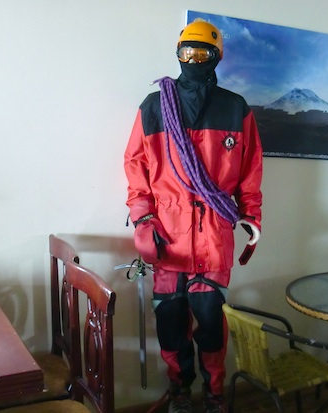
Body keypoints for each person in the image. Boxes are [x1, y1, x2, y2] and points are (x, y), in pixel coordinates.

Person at [124, 18, 263, 413]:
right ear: (178, 54)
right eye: (188, 52)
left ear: (216, 56)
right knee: (170, 323)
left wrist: (251, 216)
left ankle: (214, 396)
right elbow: (135, 167)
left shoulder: (236, 109)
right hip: (167, 240)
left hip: (214, 237)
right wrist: (142, 218)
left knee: (212, 325)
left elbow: (251, 170)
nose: (194, 59)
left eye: (202, 53)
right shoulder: (154, 107)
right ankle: (180, 393)